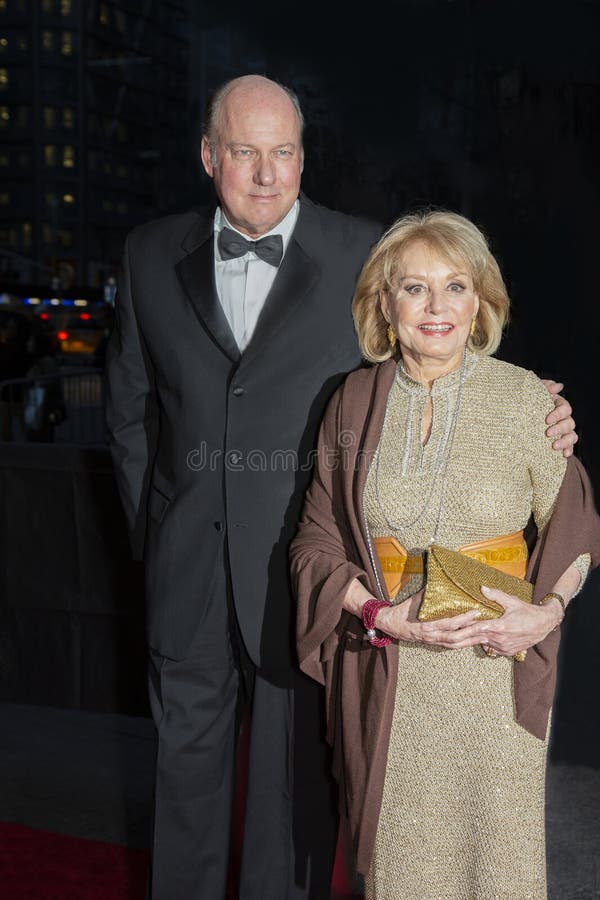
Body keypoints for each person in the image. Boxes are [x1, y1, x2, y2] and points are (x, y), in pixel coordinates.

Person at [105, 76, 578, 900]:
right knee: (182, 785)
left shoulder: (364, 250)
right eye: (245, 153)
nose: (265, 173)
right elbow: (128, 415)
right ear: (209, 155)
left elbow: (436, 338)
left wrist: (541, 411)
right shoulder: (148, 254)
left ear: (301, 157)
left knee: (292, 804)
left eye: (283, 152)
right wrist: (160, 535)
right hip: (185, 571)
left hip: (306, 572)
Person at [290, 210, 600, 899]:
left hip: (494, 678)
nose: (436, 308)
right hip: (393, 679)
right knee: (403, 874)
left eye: (455, 286)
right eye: (415, 288)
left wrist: (544, 614)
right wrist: (380, 615)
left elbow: (576, 528)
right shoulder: (350, 402)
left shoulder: (526, 400)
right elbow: (315, 541)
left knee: (498, 871)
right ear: (384, 303)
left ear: (481, 302)